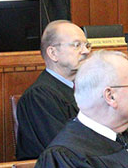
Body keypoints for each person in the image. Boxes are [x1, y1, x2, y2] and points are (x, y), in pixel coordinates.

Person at [15, 20, 91, 160]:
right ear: (53, 53)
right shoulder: (39, 96)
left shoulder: (86, 88)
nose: (86, 51)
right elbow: (64, 150)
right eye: (77, 45)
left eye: (87, 45)